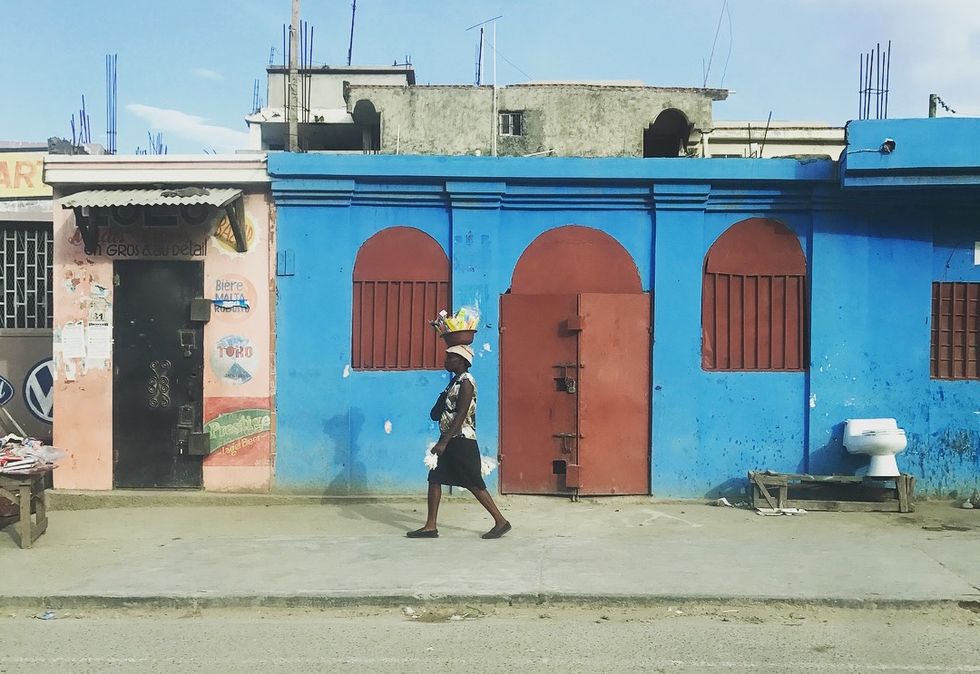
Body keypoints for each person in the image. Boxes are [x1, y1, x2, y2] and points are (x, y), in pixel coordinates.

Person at [407, 344, 511, 539]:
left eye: (450, 358)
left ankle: (501, 521)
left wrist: (444, 442)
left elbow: (462, 414)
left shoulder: (467, 382)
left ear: (462, 361)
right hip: (450, 439)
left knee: (474, 482)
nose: (446, 361)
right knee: (435, 478)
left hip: (461, 441)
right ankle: (430, 526)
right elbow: (437, 413)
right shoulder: (454, 382)